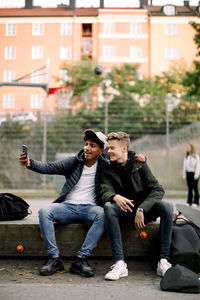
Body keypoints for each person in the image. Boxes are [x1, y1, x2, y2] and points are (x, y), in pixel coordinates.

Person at [19, 129, 108, 277]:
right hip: (67, 207)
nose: (87, 148)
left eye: (92, 145)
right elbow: (50, 167)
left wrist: (137, 158)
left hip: (90, 209)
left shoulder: (106, 166)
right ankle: (54, 259)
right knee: (44, 211)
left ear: (101, 150)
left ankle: (81, 260)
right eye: (86, 144)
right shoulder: (75, 161)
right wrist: (30, 162)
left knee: (103, 213)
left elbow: (123, 161)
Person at [100, 131, 174, 281]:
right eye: (108, 148)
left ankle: (163, 262)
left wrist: (142, 209)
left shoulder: (140, 164)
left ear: (124, 148)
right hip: (124, 210)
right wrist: (115, 196)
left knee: (167, 206)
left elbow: (157, 189)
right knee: (108, 207)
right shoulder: (107, 169)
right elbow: (104, 190)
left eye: (112, 148)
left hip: (144, 210)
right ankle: (120, 263)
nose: (109, 151)